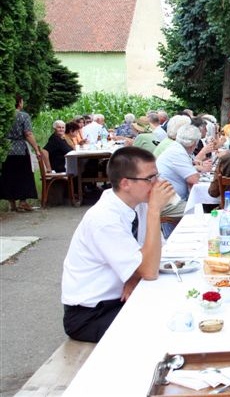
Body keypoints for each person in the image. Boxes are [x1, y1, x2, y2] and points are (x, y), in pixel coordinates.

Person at [61, 147, 174, 343]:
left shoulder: (137, 203)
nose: (157, 184)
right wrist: (155, 211)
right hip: (90, 314)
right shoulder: (104, 219)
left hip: (119, 299)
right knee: (165, 327)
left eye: (157, 176)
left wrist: (132, 276)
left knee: (178, 305)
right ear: (125, 183)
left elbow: (154, 252)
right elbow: (149, 270)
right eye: (150, 178)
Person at [156, 124, 203, 235]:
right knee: (200, 210)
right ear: (193, 143)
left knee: (198, 205)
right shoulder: (177, 152)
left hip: (170, 197)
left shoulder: (177, 148)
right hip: (168, 202)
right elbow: (194, 179)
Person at [0, 95, 41, 212]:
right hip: (20, 150)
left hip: (5, 150)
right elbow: (28, 133)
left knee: (8, 176)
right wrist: (36, 149)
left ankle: (11, 203)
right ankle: (22, 202)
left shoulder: (4, 115)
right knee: (23, 176)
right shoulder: (23, 116)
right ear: (19, 103)